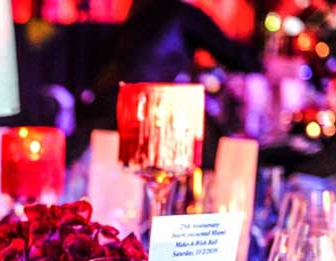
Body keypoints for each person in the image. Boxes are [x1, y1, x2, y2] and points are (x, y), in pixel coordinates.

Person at [70, 0, 262, 161]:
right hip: (146, 108)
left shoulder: (139, 11)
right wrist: (265, 55)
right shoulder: (183, 13)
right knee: (213, 147)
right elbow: (238, 57)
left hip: (107, 103)